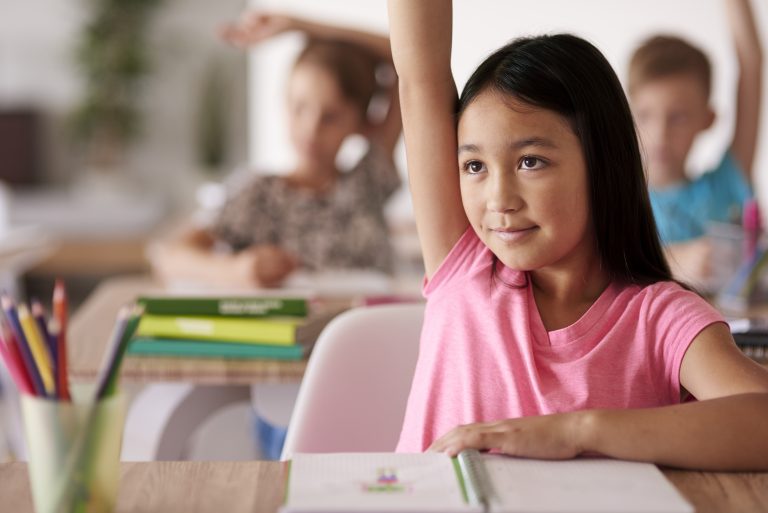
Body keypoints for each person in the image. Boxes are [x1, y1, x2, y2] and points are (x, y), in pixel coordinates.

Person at [387, 0, 768, 470]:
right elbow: (419, 70)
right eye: (475, 166)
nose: (499, 198)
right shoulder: (463, 264)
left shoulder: (659, 317)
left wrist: (577, 430)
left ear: (602, 164)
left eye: (531, 162)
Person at [149, 12, 402, 289]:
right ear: (283, 103)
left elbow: (406, 58)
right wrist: (237, 269)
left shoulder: (368, 181)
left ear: (363, 122)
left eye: (330, 117)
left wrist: (302, 26)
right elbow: (168, 257)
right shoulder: (257, 194)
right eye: (299, 107)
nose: (311, 129)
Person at [628, 0, 763, 286]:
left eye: (677, 117)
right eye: (645, 115)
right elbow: (598, 267)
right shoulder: (614, 197)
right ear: (625, 115)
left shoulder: (725, 185)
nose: (660, 134)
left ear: (708, 118)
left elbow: (752, 63)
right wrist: (673, 260)